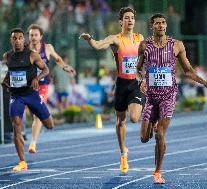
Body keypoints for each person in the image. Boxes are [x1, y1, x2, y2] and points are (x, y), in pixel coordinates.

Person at [136, 14, 207, 184]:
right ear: (152, 26)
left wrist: (204, 82)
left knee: (160, 134)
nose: (161, 26)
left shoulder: (176, 45)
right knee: (143, 137)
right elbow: (138, 69)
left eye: (163, 23)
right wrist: (141, 79)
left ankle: (157, 172)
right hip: (151, 97)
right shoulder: (144, 46)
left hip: (168, 96)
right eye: (157, 23)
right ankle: (152, 125)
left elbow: (188, 71)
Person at [79, 7, 144, 174]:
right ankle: (123, 153)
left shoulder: (140, 38)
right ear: (121, 21)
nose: (130, 20)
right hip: (122, 85)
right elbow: (98, 46)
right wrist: (90, 39)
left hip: (136, 84)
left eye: (132, 18)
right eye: (127, 18)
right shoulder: (115, 39)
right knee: (120, 121)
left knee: (135, 118)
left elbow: (148, 55)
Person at [1, 28, 54, 172]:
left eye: (20, 38)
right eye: (14, 38)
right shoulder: (7, 56)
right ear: (11, 40)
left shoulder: (32, 55)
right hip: (16, 96)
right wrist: (5, 81)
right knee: (16, 124)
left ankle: (45, 116)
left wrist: (37, 78)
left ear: (24, 40)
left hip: (32, 95)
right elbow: (8, 74)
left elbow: (46, 70)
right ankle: (22, 161)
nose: (17, 41)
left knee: (49, 125)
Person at [27, 24, 76, 154]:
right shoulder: (25, 49)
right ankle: (44, 122)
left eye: (36, 35)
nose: (33, 37)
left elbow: (58, 58)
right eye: (31, 35)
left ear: (41, 36)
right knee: (32, 114)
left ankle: (33, 143)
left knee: (37, 115)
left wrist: (65, 67)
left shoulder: (47, 48)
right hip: (28, 87)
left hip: (42, 86)